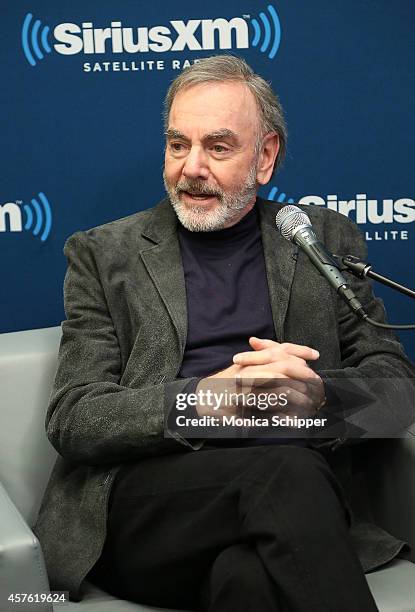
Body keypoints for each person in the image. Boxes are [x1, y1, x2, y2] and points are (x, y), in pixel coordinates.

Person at [34, 55, 415, 611]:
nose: (190, 167)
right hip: (152, 510)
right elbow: (75, 417)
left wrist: (318, 397)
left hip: (288, 514)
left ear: (265, 157)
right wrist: (207, 402)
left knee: (249, 580)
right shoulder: (103, 254)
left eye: (216, 147)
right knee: (283, 471)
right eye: (177, 144)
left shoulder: (320, 239)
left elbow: (398, 396)